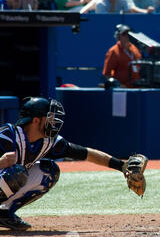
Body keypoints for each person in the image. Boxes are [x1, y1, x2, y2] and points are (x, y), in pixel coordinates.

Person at [0, 97, 148, 230]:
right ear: (36, 120)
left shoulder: (47, 142)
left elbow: (86, 153)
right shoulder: (7, 136)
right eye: (49, 117)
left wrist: (121, 166)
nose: (53, 122)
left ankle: (3, 213)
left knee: (49, 171)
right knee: (16, 174)